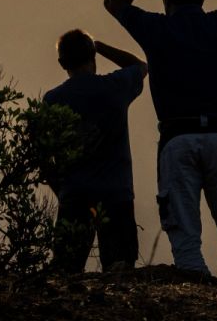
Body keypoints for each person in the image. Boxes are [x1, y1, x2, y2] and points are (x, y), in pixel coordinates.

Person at [104, 0, 217, 285]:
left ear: (166, 2)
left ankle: (198, 294)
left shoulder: (156, 29)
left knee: (185, 236)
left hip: (177, 139)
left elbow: (114, 2)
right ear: (202, 0)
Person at [42, 29, 148, 273]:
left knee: (65, 270)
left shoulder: (53, 99)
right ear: (93, 57)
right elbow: (140, 66)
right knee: (119, 268)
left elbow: (43, 156)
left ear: (62, 63)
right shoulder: (115, 87)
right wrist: (99, 45)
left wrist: (63, 191)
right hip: (115, 195)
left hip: (75, 195)